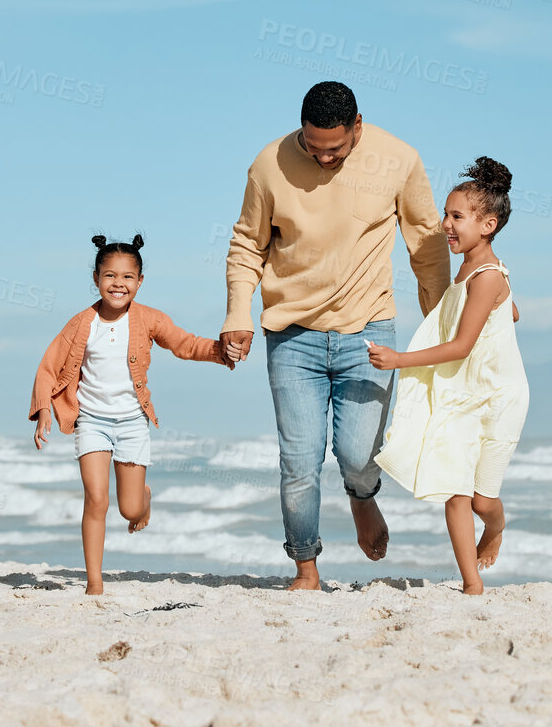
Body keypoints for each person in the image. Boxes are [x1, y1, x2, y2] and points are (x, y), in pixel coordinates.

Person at [220, 81, 450, 591]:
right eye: (313, 146)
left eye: (336, 149)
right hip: (292, 335)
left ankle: (362, 497)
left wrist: (439, 326)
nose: (324, 158)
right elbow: (246, 244)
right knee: (300, 460)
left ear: (358, 128)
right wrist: (238, 311)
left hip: (368, 330)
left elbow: (428, 247)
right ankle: (305, 568)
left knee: (357, 455)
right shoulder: (268, 164)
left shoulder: (399, 159)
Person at [30, 234, 231, 595]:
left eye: (127, 277)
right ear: (96, 279)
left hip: (133, 423)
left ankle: (144, 499)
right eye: (110, 276)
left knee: (129, 509)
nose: (118, 284)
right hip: (92, 421)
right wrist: (45, 409)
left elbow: (184, 343)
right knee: (96, 499)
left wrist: (220, 351)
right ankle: (94, 582)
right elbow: (49, 367)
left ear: (139, 282)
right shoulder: (81, 324)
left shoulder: (148, 319)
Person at [369, 158, 529, 595]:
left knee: (481, 501)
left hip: (498, 398)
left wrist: (398, 360)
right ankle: (472, 585)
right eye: (446, 214)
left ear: (488, 224)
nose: (445, 225)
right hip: (463, 393)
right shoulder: (470, 272)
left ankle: (496, 527)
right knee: (454, 490)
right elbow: (511, 311)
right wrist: (502, 309)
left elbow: (461, 345)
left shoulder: (487, 276)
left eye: (456, 217)